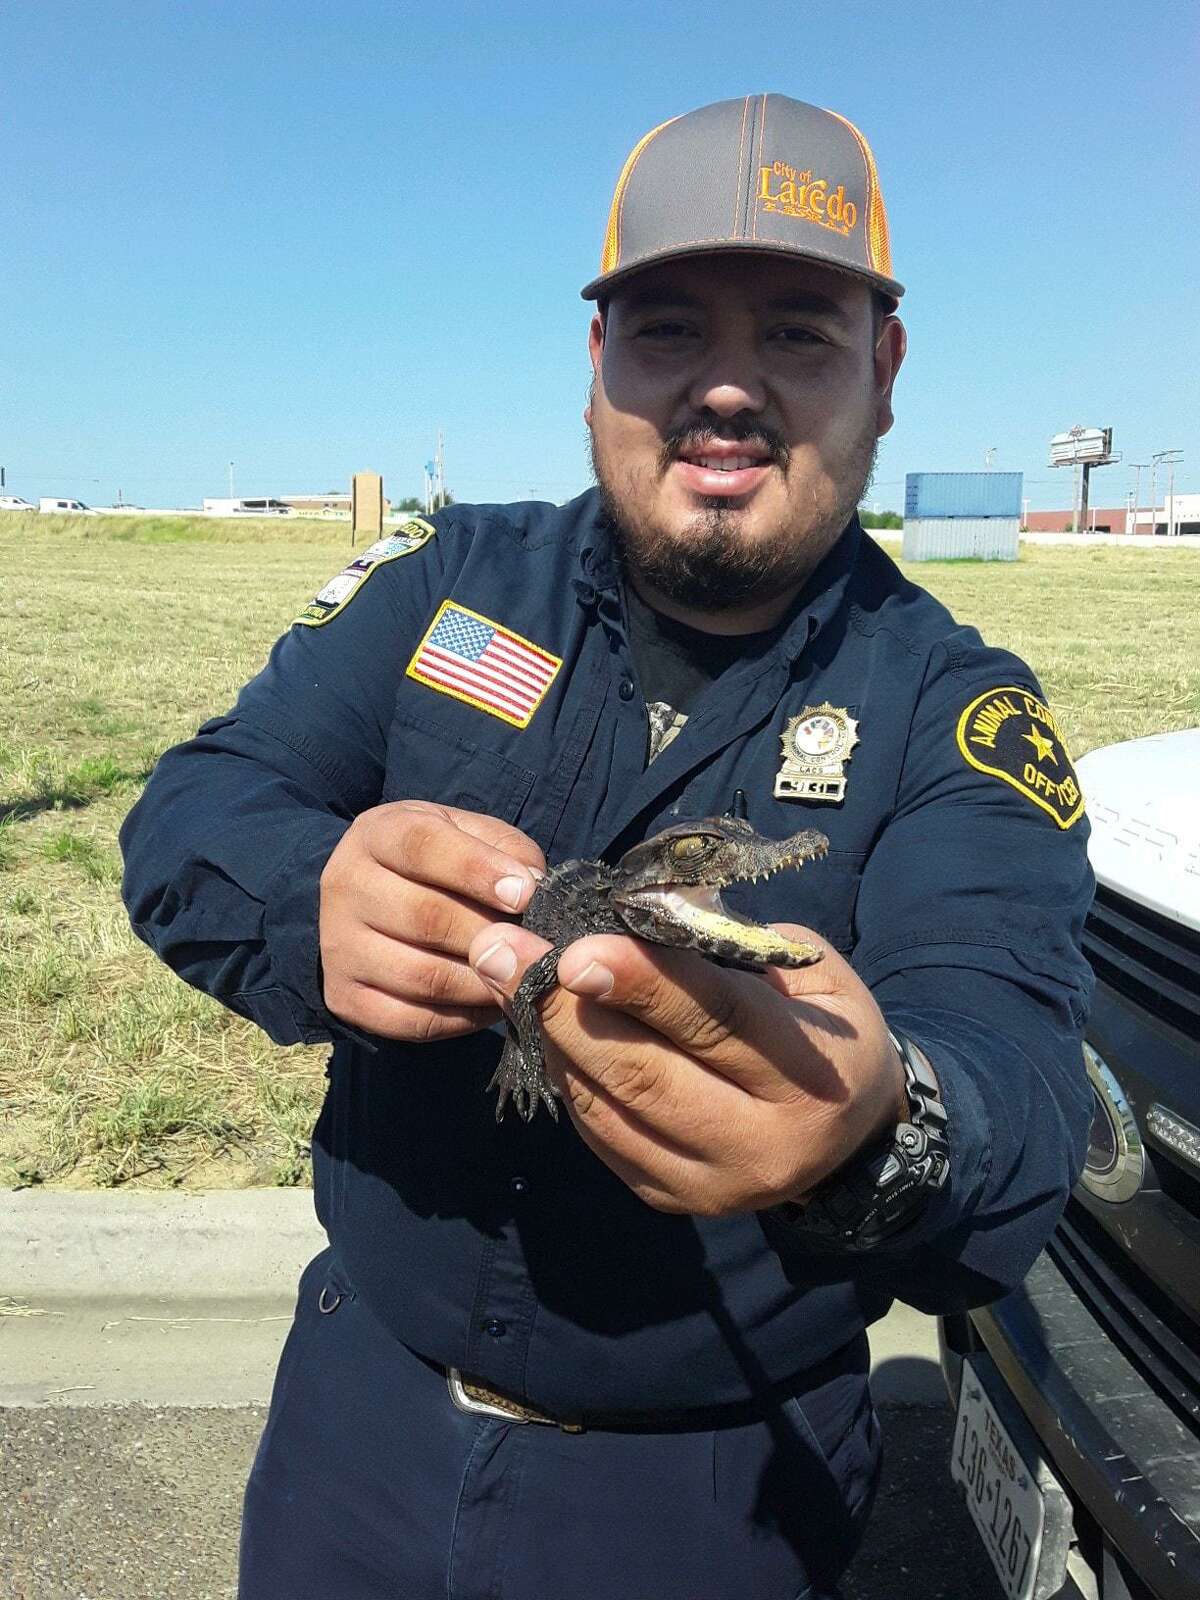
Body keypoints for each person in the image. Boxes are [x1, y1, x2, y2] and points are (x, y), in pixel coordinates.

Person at [120, 93, 1094, 1600]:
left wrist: (879, 1123)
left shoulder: (955, 710)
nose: (724, 389)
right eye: (663, 332)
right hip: (353, 1433)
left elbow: (1013, 1068)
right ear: (593, 368)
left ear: (884, 373)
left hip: (713, 1501)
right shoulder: (445, 586)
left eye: (793, 333)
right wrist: (317, 903)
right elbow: (195, 809)